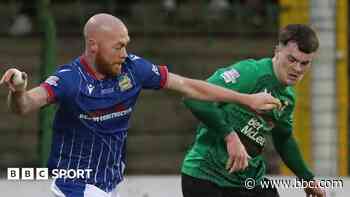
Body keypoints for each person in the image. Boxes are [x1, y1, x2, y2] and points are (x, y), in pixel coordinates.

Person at [0, 13, 280, 197]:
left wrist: (247, 99)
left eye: (126, 45)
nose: (124, 53)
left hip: (109, 183)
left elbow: (189, 86)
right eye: (117, 47)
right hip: (74, 184)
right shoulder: (69, 79)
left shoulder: (134, 69)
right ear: (93, 46)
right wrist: (19, 90)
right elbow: (25, 106)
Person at [181, 24, 326, 197]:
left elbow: (284, 138)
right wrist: (230, 136)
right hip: (207, 177)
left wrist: (307, 178)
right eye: (292, 60)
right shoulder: (250, 73)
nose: (297, 69)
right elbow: (193, 97)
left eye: (305, 63)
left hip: (249, 180)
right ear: (277, 51)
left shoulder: (288, 98)